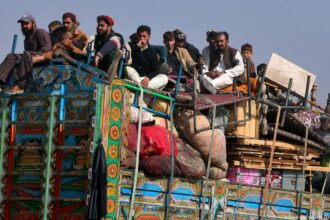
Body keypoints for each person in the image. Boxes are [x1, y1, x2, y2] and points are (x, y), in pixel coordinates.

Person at [0, 14, 52, 95]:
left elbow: (47, 49)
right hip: (29, 58)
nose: (24, 26)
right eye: (22, 24)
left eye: (26, 23)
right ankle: (1, 82)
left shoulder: (40, 32)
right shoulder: (26, 39)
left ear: (33, 23)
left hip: (43, 58)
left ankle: (20, 85)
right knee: (11, 56)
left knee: (26, 55)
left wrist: (36, 55)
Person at [126, 25, 168, 90]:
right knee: (128, 68)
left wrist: (148, 78)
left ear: (149, 37)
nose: (142, 38)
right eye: (140, 36)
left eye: (144, 36)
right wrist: (137, 46)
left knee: (164, 78)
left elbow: (155, 70)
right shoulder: (130, 46)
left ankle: (140, 88)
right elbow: (126, 56)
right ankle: (142, 88)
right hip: (134, 77)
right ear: (137, 36)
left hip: (146, 80)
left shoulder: (152, 53)